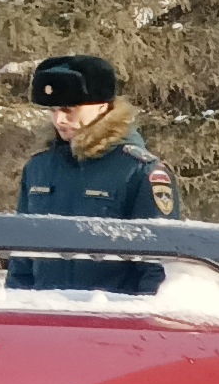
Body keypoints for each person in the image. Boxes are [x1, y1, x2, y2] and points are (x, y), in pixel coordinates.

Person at [10, 54, 176, 294]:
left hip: (112, 321)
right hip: (46, 318)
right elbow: (21, 262)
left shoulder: (139, 171)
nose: (59, 119)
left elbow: (158, 269)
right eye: (53, 110)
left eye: (69, 109)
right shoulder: (39, 168)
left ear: (102, 107)